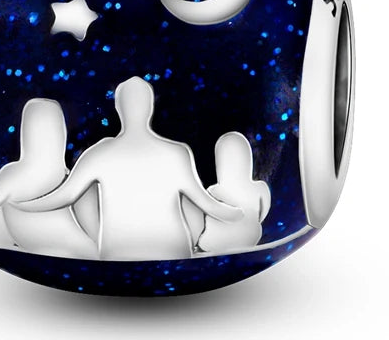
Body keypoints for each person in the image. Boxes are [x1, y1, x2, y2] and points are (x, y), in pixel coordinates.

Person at [17, 77, 242, 260]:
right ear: (150, 107)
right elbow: (204, 202)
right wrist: (235, 214)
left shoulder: (100, 153)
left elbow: (64, 196)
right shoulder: (176, 153)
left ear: (118, 107)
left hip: (119, 252)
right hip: (170, 252)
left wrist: (26, 206)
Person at [0, 98, 99, 259]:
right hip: (75, 251)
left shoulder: (12, 175)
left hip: (47, 250)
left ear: (26, 132)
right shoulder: (65, 176)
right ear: (61, 132)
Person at [197, 131, 271, 254]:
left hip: (213, 243)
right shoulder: (260, 188)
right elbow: (262, 216)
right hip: (249, 240)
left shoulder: (213, 190)